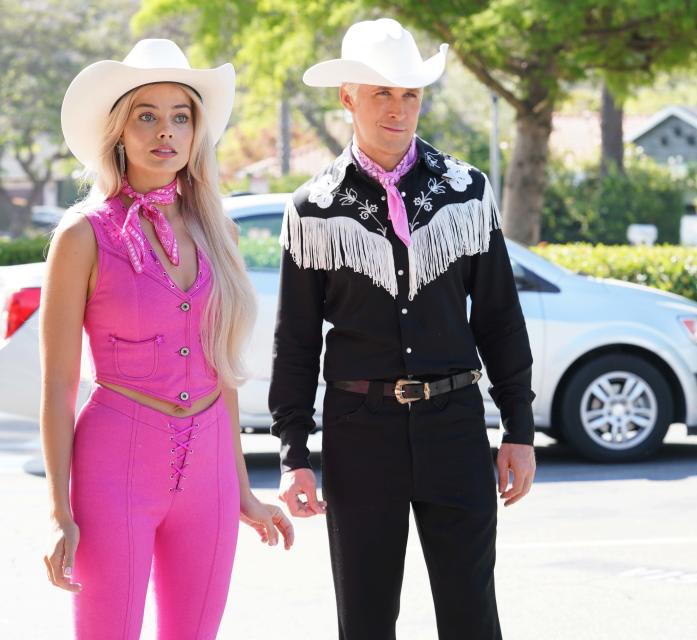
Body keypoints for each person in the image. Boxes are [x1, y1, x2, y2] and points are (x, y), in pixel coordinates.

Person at [269, 18, 536, 640]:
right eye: (381, 93)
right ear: (347, 98)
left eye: (409, 94)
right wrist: (293, 455)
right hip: (360, 434)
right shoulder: (312, 209)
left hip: (455, 425)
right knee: (364, 618)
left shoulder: (466, 192)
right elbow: (297, 340)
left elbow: (500, 318)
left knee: (472, 614)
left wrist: (518, 430)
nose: (397, 108)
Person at [41, 39, 293, 639]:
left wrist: (243, 491)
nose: (166, 131)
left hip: (208, 469)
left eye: (180, 116)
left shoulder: (219, 229)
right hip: (112, 467)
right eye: (146, 116)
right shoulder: (82, 235)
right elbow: (56, 386)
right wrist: (58, 511)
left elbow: (223, 371)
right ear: (118, 131)